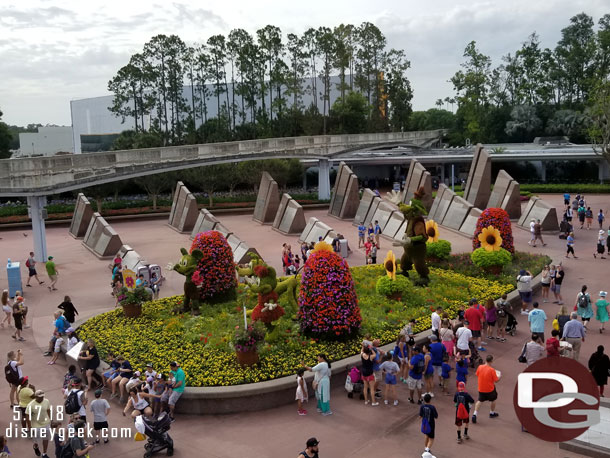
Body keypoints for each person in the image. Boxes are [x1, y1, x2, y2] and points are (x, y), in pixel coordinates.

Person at [471, 355, 500, 424]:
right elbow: (496, 380)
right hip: (490, 389)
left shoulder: (480, 367)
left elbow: (477, 374)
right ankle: (491, 413)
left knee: (479, 401)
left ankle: (475, 414)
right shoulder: (492, 370)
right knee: (493, 400)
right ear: (491, 361)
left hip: (481, 388)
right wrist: (499, 376)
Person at [26, 389, 52, 458]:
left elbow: (48, 410)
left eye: (42, 396)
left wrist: (51, 420)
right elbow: (27, 416)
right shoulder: (30, 405)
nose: (42, 398)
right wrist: (30, 427)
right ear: (36, 396)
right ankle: (36, 447)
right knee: (36, 440)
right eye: (40, 397)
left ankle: (44, 454)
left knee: (46, 439)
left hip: (46, 424)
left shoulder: (46, 401)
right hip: (36, 426)